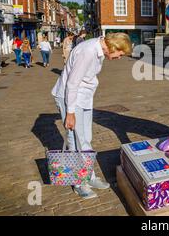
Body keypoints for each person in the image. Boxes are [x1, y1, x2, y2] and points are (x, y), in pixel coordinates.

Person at [51, 33, 132, 199]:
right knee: (76, 140)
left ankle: (89, 175)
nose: (119, 58)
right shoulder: (87, 51)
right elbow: (72, 83)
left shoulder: (99, 48)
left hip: (84, 97)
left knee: (85, 138)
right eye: (120, 54)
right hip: (71, 98)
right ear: (113, 47)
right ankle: (80, 182)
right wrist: (70, 112)